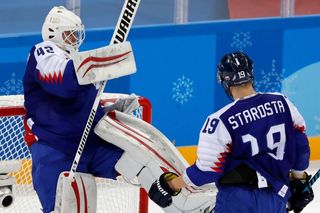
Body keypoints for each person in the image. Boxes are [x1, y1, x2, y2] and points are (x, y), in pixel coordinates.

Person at [149, 51, 314, 213]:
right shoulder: (283, 103)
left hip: (238, 201)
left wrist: (171, 185)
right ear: (251, 75)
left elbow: (206, 172)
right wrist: (299, 180)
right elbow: (301, 147)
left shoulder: (220, 120)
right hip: (275, 198)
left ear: (224, 81)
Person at [23, 6, 136, 212]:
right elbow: (63, 82)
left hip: (91, 146)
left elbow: (82, 108)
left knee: (140, 164)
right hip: (56, 151)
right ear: (53, 32)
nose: (74, 39)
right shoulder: (43, 51)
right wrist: (102, 63)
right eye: (69, 34)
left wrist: (109, 111)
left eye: (76, 34)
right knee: (63, 208)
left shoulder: (77, 63)